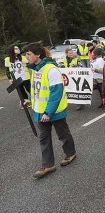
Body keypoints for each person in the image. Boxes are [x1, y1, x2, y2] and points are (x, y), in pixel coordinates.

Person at [25, 43, 76, 179]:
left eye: (29, 54)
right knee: (44, 138)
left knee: (63, 134)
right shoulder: (36, 69)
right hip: (40, 111)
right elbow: (38, 90)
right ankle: (48, 165)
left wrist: (48, 112)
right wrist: (29, 100)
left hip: (54, 111)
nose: (26, 57)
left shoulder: (51, 69)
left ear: (38, 55)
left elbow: (56, 92)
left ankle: (70, 153)